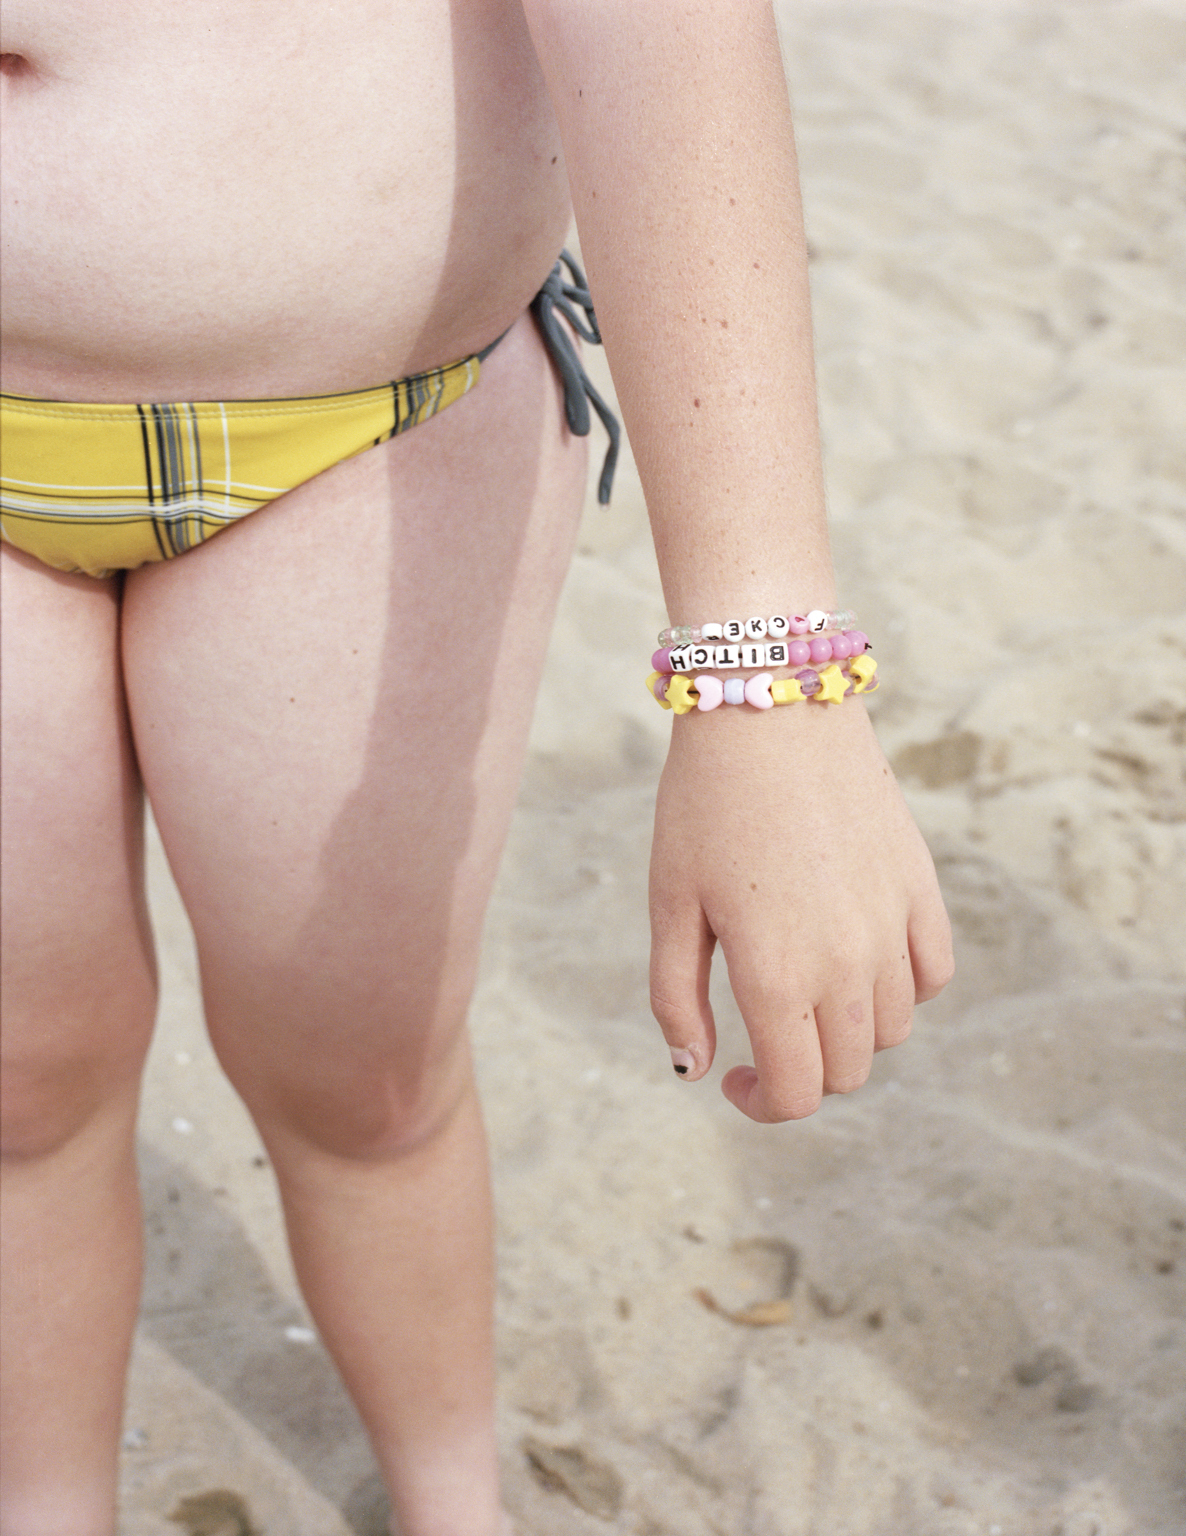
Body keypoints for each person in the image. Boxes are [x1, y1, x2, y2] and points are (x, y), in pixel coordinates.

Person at [0, 4, 953, 1532]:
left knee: (364, 1078)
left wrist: (767, 680)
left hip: (355, 428)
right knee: (18, 1082)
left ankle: (456, 1500)